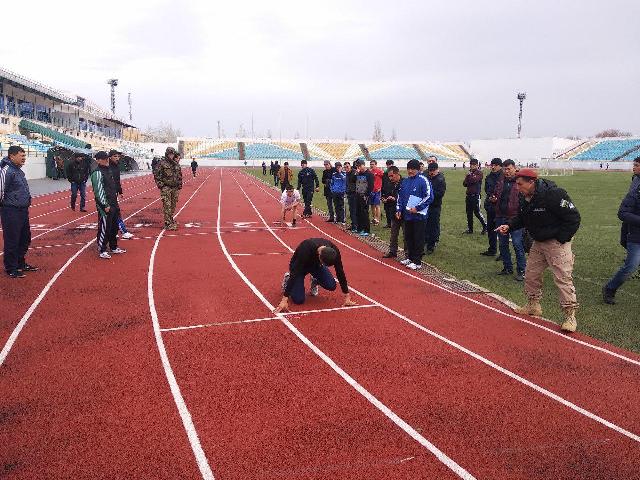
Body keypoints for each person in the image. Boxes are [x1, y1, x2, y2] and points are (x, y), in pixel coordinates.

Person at [496, 168, 581, 332]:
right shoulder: (524, 196)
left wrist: (561, 238)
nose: (517, 188)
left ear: (531, 182)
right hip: (538, 242)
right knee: (531, 274)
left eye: (520, 184)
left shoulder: (555, 195)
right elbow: (523, 217)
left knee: (563, 279)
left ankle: (570, 316)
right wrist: (510, 225)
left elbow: (573, 217)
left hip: (557, 244)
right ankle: (533, 305)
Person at [274, 238, 356, 313]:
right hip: (299, 267)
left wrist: (347, 296)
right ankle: (288, 279)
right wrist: (284, 299)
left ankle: (315, 279)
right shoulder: (306, 248)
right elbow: (295, 272)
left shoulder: (334, 251)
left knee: (331, 285)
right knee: (299, 300)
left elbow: (340, 271)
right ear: (319, 255)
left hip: (316, 266)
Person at [602, 157, 640, 304]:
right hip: (635, 235)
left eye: (636, 165)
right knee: (630, 266)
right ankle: (610, 288)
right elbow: (623, 213)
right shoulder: (635, 189)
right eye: (634, 164)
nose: (633, 167)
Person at [0, 146, 37, 278]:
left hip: (22, 210)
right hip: (10, 211)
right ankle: (11, 267)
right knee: (12, 240)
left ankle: (20, 263)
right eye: (21, 155)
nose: (24, 158)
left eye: (24, 155)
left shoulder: (18, 171)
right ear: (12, 156)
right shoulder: (6, 171)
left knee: (25, 238)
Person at [396, 159, 433, 270]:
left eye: (413, 169)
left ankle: (417, 261)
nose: (410, 171)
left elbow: (429, 196)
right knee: (408, 237)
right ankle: (410, 257)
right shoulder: (405, 181)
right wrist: (398, 209)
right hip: (407, 215)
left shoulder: (423, 180)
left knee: (418, 238)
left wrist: (417, 208)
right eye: (409, 169)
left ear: (418, 169)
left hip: (419, 216)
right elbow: (400, 196)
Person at [494, 159, 526, 281]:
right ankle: (507, 267)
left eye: (509, 169)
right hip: (500, 216)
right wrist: (493, 200)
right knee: (502, 244)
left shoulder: (520, 182)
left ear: (514, 168)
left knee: (517, 244)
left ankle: (522, 270)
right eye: (505, 169)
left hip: (515, 218)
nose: (506, 171)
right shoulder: (501, 181)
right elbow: (496, 194)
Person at [90, 151, 126, 259]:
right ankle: (102, 249)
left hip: (113, 203)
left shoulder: (108, 170)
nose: (106, 160)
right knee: (105, 227)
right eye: (104, 159)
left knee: (114, 227)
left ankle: (113, 247)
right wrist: (104, 205)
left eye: (107, 158)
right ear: (98, 160)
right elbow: (99, 191)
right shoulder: (97, 173)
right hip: (105, 205)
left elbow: (112, 187)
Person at [154, 146, 183, 230]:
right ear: (167, 154)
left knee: (173, 206)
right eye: (170, 154)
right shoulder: (162, 163)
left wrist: (179, 185)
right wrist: (161, 185)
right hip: (166, 187)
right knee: (167, 206)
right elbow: (156, 175)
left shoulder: (175, 163)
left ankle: (170, 219)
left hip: (175, 188)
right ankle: (168, 224)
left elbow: (179, 175)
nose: (171, 155)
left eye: (172, 154)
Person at [108, 150, 134, 240]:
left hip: (114, 192)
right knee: (115, 213)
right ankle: (123, 232)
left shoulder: (116, 167)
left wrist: (120, 191)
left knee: (113, 214)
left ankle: (113, 232)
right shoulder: (108, 167)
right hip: (109, 194)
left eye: (118, 156)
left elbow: (117, 181)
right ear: (110, 157)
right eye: (115, 156)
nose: (117, 158)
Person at [482, 158, 503, 257]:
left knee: (502, 230)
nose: (493, 167)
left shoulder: (504, 176)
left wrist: (497, 198)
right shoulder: (489, 177)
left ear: (500, 166)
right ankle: (492, 249)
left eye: (495, 165)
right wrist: (491, 196)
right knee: (491, 229)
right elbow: (487, 189)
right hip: (491, 206)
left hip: (501, 207)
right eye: (492, 165)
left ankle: (503, 253)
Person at [382, 166, 403, 258]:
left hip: (403, 212)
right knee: (393, 233)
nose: (390, 178)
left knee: (406, 234)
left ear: (397, 173)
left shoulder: (405, 183)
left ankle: (407, 254)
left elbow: (406, 197)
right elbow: (385, 193)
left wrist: (395, 198)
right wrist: (384, 198)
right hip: (393, 211)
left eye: (392, 176)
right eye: (389, 176)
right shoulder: (389, 184)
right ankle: (392, 251)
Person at [425, 162, 446, 254]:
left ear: (437, 170)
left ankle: (431, 246)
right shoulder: (427, 178)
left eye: (433, 171)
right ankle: (425, 241)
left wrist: (429, 194)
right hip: (426, 206)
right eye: (430, 171)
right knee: (425, 225)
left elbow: (440, 194)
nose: (432, 172)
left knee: (433, 226)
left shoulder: (440, 180)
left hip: (435, 206)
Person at [462, 158, 487, 234]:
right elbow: (464, 184)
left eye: (473, 165)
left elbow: (473, 180)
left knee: (477, 212)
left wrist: (469, 177)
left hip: (475, 196)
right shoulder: (469, 173)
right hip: (469, 196)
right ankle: (470, 229)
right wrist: (468, 177)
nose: (472, 166)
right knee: (469, 213)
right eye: (471, 165)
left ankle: (485, 226)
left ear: (477, 165)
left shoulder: (479, 173)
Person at [354, 159, 373, 236]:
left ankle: (366, 230)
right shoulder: (358, 173)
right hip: (358, 194)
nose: (358, 167)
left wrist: (366, 195)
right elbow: (353, 180)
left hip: (365, 196)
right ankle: (359, 228)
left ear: (363, 165)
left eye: (359, 166)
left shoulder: (369, 174)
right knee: (358, 212)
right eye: (357, 166)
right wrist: (356, 174)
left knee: (364, 213)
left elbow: (371, 186)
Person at [381, 160, 396, 228]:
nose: (389, 166)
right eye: (388, 164)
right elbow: (383, 184)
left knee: (392, 210)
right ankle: (388, 223)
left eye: (390, 164)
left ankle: (393, 223)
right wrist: (382, 195)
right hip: (386, 193)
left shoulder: (396, 174)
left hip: (393, 194)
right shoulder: (384, 174)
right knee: (386, 209)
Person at [369, 160, 384, 225]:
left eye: (373, 164)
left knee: (377, 205)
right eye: (371, 164)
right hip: (371, 191)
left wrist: (381, 187)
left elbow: (384, 179)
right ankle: (374, 218)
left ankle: (377, 219)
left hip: (377, 191)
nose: (371, 165)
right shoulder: (370, 172)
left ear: (376, 165)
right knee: (372, 205)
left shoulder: (380, 171)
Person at [344, 162, 357, 230]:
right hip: (349, 193)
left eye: (347, 167)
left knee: (354, 210)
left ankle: (355, 225)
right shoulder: (347, 173)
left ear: (350, 166)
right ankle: (353, 224)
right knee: (351, 210)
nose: (346, 168)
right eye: (345, 167)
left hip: (354, 194)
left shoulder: (355, 173)